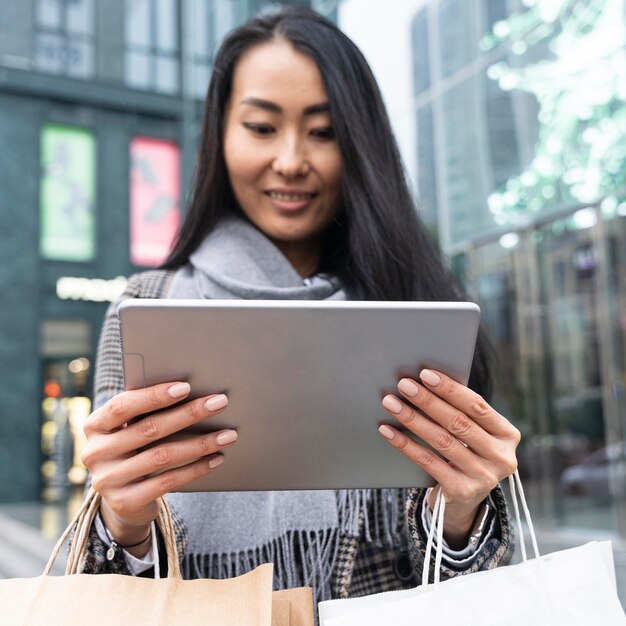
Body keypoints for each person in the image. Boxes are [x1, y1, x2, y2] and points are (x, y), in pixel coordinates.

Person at [79, 4, 520, 609]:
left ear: (359, 144)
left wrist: (465, 512)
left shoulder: (416, 310)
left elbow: (462, 597)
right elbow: (99, 588)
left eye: (323, 131)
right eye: (261, 127)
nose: (290, 160)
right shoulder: (146, 307)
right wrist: (120, 519)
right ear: (221, 134)